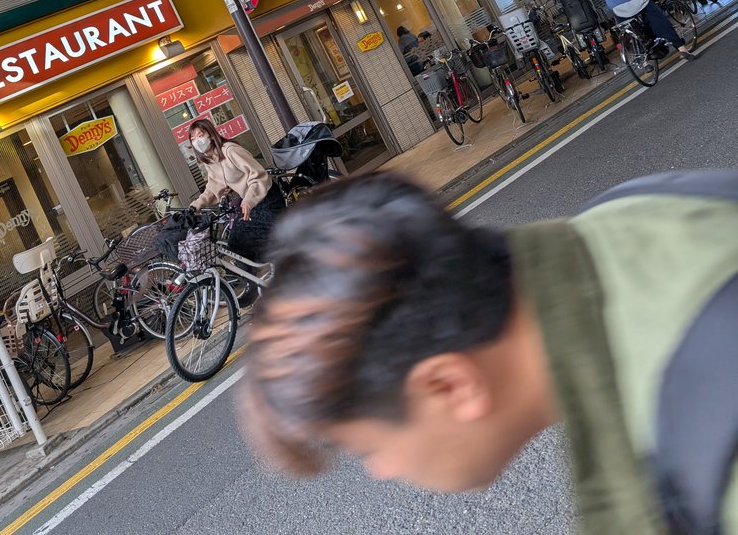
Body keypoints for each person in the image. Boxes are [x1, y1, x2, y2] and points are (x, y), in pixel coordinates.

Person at [241, 171, 738, 535]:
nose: (382, 472)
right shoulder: (628, 208)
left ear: (450, 385)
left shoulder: (715, 443)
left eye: (368, 451)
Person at [187, 119, 283, 262]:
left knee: (241, 240)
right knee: (237, 243)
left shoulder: (230, 150)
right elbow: (213, 187)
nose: (197, 141)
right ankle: (256, 279)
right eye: (193, 139)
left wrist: (248, 201)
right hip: (250, 204)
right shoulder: (210, 160)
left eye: (200, 135)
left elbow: (258, 175)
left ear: (211, 135)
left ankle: (281, 264)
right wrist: (196, 205)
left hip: (267, 198)